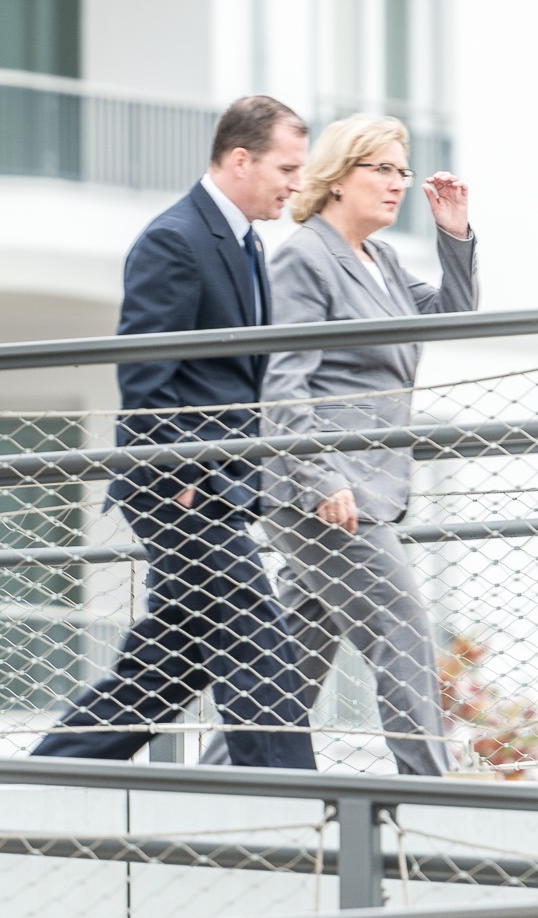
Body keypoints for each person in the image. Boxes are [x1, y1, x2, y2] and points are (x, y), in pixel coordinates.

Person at [30, 95, 319, 769]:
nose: (296, 183)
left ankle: (47, 774)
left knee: (171, 659)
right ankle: (297, 803)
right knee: (257, 637)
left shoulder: (246, 245)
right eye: (287, 166)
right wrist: (182, 471)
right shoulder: (176, 238)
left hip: (220, 483)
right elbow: (143, 369)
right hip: (181, 486)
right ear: (240, 159)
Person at [255, 113, 477, 776]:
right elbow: (281, 379)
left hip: (370, 487)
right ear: (335, 176)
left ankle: (230, 776)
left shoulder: (379, 260)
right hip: (324, 493)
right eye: (379, 168)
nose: (395, 184)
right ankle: (432, 790)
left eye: (401, 172)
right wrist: (323, 479)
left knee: (296, 654)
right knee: (403, 627)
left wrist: (454, 235)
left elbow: (450, 320)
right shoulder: (305, 256)